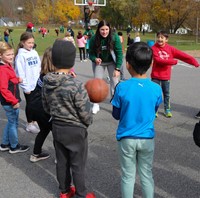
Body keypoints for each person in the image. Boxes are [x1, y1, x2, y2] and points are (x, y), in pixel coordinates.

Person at [42, 39, 95, 198]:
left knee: (62, 161)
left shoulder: (46, 82)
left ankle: (64, 191)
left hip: (57, 126)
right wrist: (88, 120)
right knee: (77, 164)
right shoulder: (76, 85)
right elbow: (85, 112)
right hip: (75, 129)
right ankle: (81, 193)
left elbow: (46, 107)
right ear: (72, 60)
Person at [111, 42, 163, 198]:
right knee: (146, 173)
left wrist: (115, 84)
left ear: (127, 64)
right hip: (147, 137)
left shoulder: (121, 87)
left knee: (128, 175)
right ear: (151, 63)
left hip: (126, 137)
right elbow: (154, 111)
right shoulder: (156, 88)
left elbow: (116, 115)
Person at [29, 46, 76, 163]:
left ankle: (35, 153)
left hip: (35, 107)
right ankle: (60, 158)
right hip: (44, 109)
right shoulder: (53, 78)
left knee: (44, 130)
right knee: (57, 133)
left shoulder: (43, 74)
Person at [151, 30, 199, 118]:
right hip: (155, 75)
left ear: (166, 39)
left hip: (166, 76)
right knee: (155, 93)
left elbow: (182, 55)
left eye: (162, 37)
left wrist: (193, 61)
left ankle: (167, 109)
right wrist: (173, 61)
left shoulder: (170, 49)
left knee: (166, 94)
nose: (159, 39)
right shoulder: (154, 48)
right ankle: (154, 109)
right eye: (158, 37)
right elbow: (158, 60)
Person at [0, 41, 30, 153]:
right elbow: (3, 88)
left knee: (10, 122)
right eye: (8, 55)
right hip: (10, 102)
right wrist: (13, 101)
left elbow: (9, 80)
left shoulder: (7, 65)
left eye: (12, 54)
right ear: (0, 55)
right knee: (13, 123)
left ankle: (4, 144)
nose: (11, 56)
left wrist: (17, 79)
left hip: (11, 100)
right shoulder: (2, 69)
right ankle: (14, 146)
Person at [89, 20, 123, 114]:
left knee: (115, 83)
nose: (104, 32)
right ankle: (96, 104)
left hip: (112, 62)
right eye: (102, 29)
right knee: (97, 83)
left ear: (109, 29)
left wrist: (117, 68)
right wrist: (95, 58)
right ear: (98, 30)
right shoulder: (94, 39)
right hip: (100, 63)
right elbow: (90, 53)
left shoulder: (114, 37)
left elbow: (119, 53)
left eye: (106, 29)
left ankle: (115, 105)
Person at [15, 32, 41, 133]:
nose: (31, 45)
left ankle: (35, 121)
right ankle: (29, 123)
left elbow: (38, 66)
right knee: (30, 105)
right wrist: (25, 87)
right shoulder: (20, 56)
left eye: (32, 43)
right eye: (29, 42)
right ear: (22, 43)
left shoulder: (34, 52)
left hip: (37, 84)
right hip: (28, 86)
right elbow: (20, 74)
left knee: (36, 104)